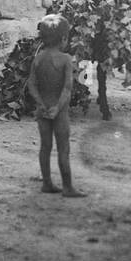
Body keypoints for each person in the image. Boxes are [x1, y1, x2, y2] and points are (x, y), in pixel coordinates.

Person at [30, 14, 84, 197]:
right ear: (63, 38)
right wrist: (56, 108)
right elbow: (67, 89)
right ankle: (68, 187)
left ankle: (47, 183)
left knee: (45, 147)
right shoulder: (66, 59)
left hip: (42, 109)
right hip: (59, 112)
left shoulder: (38, 59)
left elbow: (32, 85)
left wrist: (41, 103)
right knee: (63, 148)